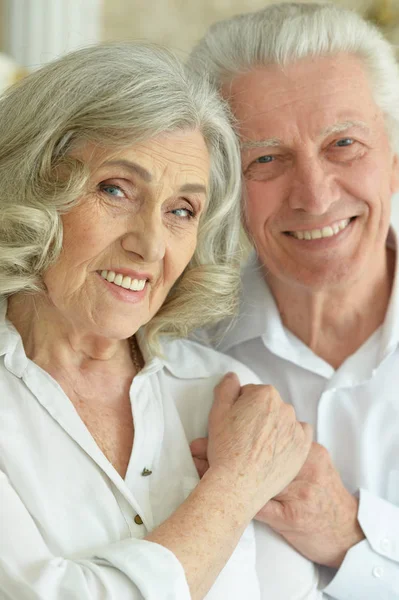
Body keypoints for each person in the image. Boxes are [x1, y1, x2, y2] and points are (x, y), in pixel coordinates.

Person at [0, 42, 321, 599]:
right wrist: (231, 491)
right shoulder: (243, 456)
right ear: (33, 185)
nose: (149, 245)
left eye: (181, 211)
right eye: (116, 190)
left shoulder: (231, 399)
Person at [189, 3, 399, 599]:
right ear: (225, 185)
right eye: (267, 159)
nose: (313, 194)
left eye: (343, 144)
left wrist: (348, 536)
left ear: (394, 162)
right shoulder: (176, 340)